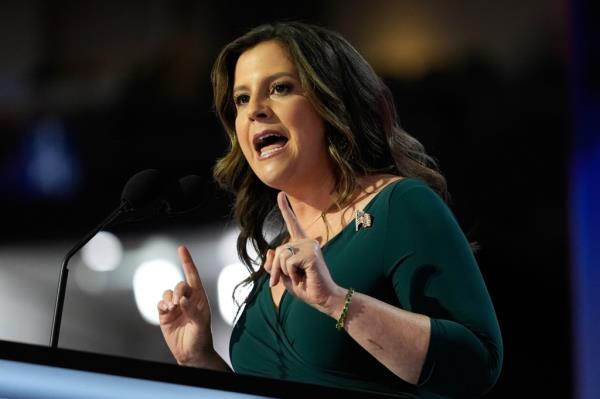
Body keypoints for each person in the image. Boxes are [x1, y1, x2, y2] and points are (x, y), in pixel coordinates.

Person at [157, 22, 503, 398]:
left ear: (330, 100)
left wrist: (336, 301)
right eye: (241, 99)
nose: (255, 110)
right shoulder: (283, 248)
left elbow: (477, 365)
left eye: (279, 88)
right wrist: (200, 360)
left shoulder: (399, 205)